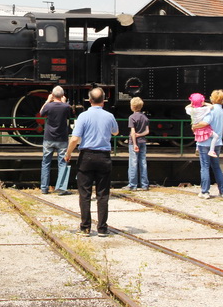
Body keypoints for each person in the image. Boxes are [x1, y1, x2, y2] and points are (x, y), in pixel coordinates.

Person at [65, 88, 119, 237]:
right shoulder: (109, 116)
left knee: (85, 194)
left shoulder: (83, 116)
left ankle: (85, 227)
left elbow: (75, 138)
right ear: (103, 101)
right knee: (102, 194)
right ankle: (102, 228)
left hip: (86, 157)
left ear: (89, 100)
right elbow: (116, 132)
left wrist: (68, 153)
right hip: (104, 156)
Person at [193, 89, 223, 199]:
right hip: (217, 142)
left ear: (212, 98)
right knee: (216, 167)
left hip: (205, 142)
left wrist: (195, 126)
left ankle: (205, 191)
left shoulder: (210, 111)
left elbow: (205, 122)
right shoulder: (222, 111)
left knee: (204, 167)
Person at [39, 86, 72, 195]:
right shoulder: (66, 107)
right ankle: (61, 189)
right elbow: (71, 115)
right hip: (62, 138)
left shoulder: (48, 106)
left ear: (52, 95)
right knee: (62, 163)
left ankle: (44, 188)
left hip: (48, 138)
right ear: (62, 96)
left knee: (46, 163)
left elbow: (41, 113)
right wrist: (65, 102)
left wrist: (48, 100)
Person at [122, 97, 150, 191]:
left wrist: (134, 144)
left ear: (132, 106)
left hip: (135, 142)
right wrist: (140, 135)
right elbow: (147, 131)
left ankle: (132, 185)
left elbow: (133, 132)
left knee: (133, 162)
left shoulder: (132, 117)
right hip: (143, 141)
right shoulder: (145, 117)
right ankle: (144, 184)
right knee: (143, 162)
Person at [185, 93, 219, 157]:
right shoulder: (203, 109)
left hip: (195, 127)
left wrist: (192, 104)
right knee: (216, 136)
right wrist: (204, 103)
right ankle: (211, 151)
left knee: (198, 138)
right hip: (203, 127)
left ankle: (197, 148)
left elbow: (186, 107)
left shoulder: (191, 110)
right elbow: (212, 106)